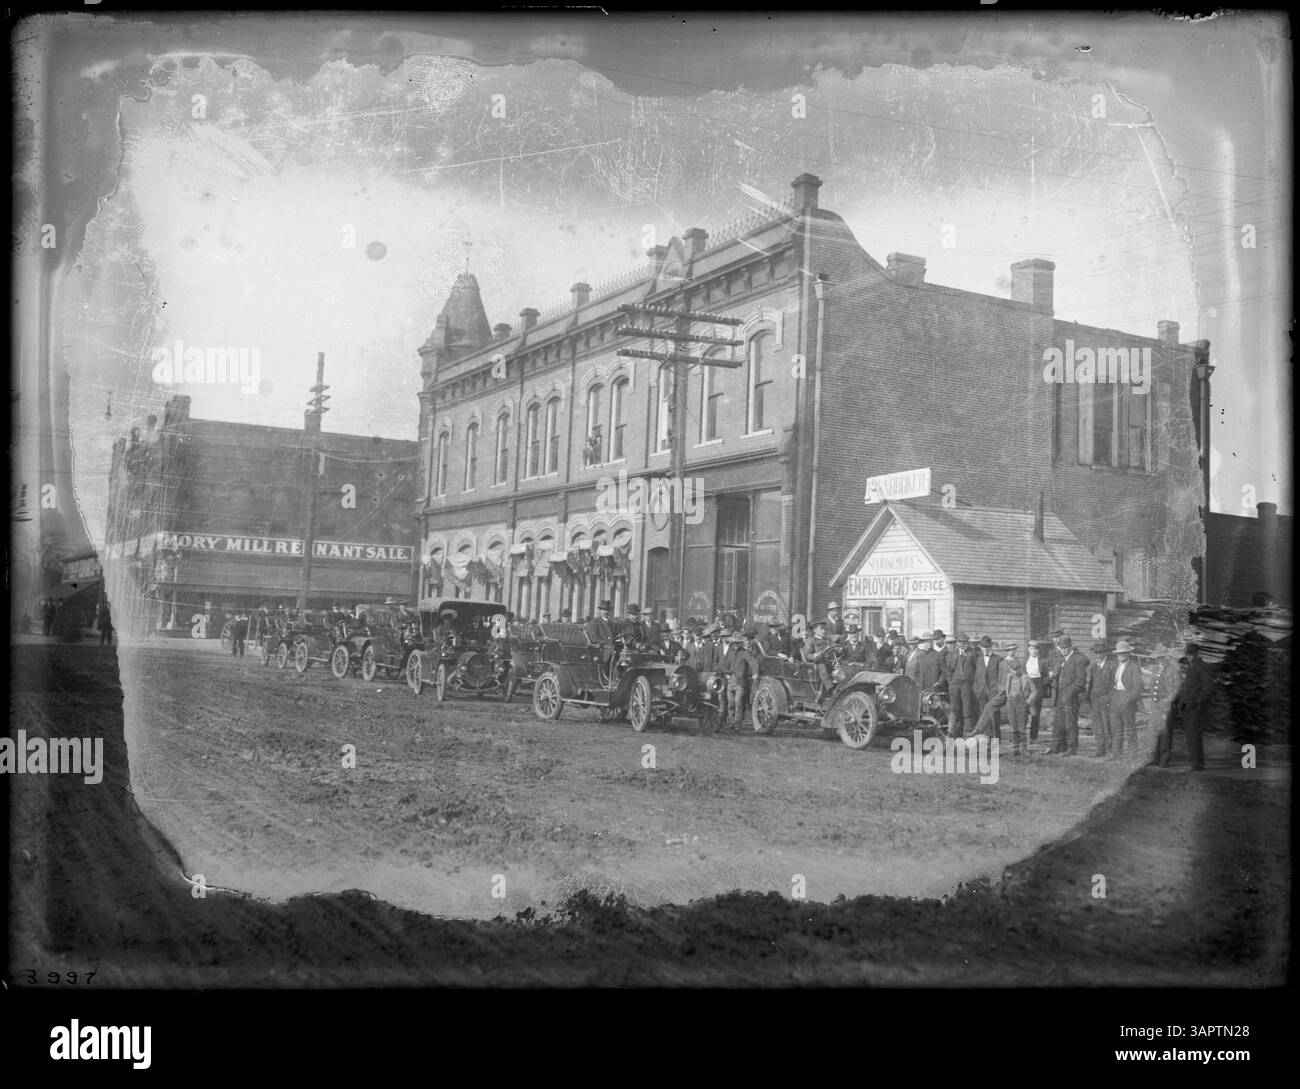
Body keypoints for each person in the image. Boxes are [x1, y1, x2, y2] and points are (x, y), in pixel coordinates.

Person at [1172, 643, 1213, 771]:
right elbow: (1186, 688)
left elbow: (1208, 689)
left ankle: (1197, 765)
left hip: (1195, 708)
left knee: (1194, 736)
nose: (1189, 656)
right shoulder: (1191, 667)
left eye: (1191, 653)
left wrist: (1197, 703)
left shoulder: (1203, 667)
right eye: (1187, 654)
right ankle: (1195, 764)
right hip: (1187, 708)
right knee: (1190, 737)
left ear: (1197, 653)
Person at [1049, 636, 1088, 756]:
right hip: (1061, 696)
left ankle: (1072, 748)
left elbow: (1081, 680)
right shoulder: (1063, 660)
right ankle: (1055, 747)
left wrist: (1069, 693)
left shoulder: (1078, 659)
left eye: (1066, 647)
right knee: (1058, 722)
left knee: (1070, 722)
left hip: (1072, 697)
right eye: (1062, 648)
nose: (1064, 650)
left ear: (1071, 646)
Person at [1148, 644, 1184, 767]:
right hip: (1156, 704)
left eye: (1161, 657)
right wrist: (1152, 699)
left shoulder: (1173, 669)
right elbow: (1152, 685)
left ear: (1166, 657)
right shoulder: (1155, 669)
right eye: (1157, 657)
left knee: (1165, 732)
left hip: (1167, 705)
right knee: (1154, 730)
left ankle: (1164, 760)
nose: (1159, 659)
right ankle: (1155, 757)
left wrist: (1168, 700)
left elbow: (1177, 688)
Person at [1108, 640, 1144, 757]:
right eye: (1119, 653)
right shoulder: (1114, 666)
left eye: (1124, 653)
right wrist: (1111, 698)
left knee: (1130, 727)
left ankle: (1133, 753)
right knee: (1116, 726)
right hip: (1115, 697)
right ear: (1117, 655)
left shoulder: (1134, 667)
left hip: (1127, 698)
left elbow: (1138, 687)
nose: (1121, 655)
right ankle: (1116, 753)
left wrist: (1128, 699)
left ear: (1129, 653)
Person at [1003, 654, 1035, 756]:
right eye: (1013, 669)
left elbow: (1034, 691)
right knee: (1013, 727)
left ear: (1020, 668)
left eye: (1017, 669)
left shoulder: (1026, 677)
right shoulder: (1009, 677)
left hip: (1022, 704)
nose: (1015, 672)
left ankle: (1024, 748)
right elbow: (1006, 690)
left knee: (1022, 727)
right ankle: (1015, 748)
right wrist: (1008, 698)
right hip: (1011, 703)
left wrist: (1028, 702)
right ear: (1010, 669)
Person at [1087, 642, 1115, 758]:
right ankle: (1099, 750)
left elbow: (1114, 685)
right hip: (1094, 700)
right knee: (1097, 726)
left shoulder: (1111, 665)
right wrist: (1089, 698)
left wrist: (1109, 698)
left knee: (1107, 725)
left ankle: (1110, 751)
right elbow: (1091, 683)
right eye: (1096, 653)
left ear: (1105, 653)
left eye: (1100, 653)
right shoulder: (1094, 666)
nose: (1098, 655)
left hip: (1106, 699)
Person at [973, 636, 1003, 739]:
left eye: (988, 647)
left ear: (991, 647)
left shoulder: (998, 659)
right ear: (981, 647)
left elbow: (1001, 677)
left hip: (993, 692)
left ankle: (996, 741)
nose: (986, 649)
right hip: (981, 692)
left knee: (994, 717)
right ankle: (987, 740)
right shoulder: (978, 660)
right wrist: (976, 688)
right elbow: (975, 676)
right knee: (984, 717)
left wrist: (997, 690)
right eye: (984, 647)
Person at [802, 619, 836, 704]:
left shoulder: (828, 640)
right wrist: (816, 656)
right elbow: (807, 655)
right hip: (817, 663)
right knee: (822, 666)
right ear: (815, 630)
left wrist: (838, 649)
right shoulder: (810, 640)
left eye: (824, 629)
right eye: (821, 628)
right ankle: (831, 689)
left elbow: (835, 648)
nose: (824, 631)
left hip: (830, 661)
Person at [1024, 641, 1048, 742]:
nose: (1034, 651)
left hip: (1038, 685)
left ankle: (1033, 737)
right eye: (1032, 649)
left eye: (1036, 649)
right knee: (1024, 711)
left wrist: (1042, 684)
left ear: (1038, 650)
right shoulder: (1024, 661)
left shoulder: (1043, 662)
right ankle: (1021, 736)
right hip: (1026, 686)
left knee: (1036, 713)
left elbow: (1046, 677)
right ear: (1028, 650)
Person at [584, 599, 618, 668]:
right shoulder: (595, 622)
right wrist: (605, 644)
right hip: (600, 651)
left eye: (607, 610)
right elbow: (594, 637)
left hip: (612, 651)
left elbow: (615, 635)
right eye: (604, 610)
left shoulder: (612, 623)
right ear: (600, 611)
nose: (606, 612)